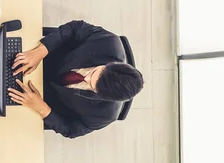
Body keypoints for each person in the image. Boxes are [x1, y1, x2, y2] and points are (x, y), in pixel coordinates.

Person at [8, 20, 144, 139]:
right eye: (95, 72)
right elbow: (76, 28)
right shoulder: (109, 43)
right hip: (42, 57)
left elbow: (72, 130)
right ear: (110, 64)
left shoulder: (105, 114)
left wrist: (42, 108)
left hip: (38, 97)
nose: (87, 77)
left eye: (92, 85)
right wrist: (41, 51)